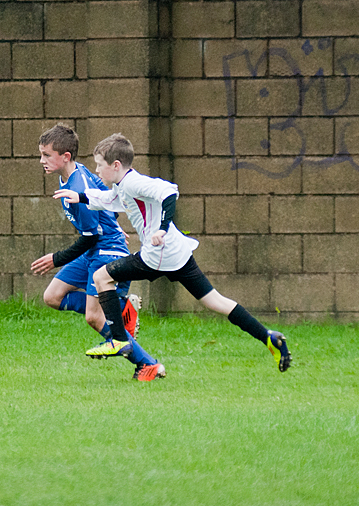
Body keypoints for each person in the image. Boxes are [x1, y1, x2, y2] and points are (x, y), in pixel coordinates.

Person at [53, 133, 292, 372]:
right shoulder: (124, 185)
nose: (96, 171)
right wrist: (81, 197)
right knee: (215, 301)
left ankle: (119, 340)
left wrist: (162, 228)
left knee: (102, 277)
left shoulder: (134, 183)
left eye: (99, 166)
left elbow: (169, 192)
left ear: (116, 165)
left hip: (158, 255)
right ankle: (268, 336)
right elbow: (111, 200)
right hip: (178, 253)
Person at [30, 124, 166, 381]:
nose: (42, 160)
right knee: (53, 296)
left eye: (47, 155)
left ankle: (148, 364)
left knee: (94, 317)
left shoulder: (78, 185)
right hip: (95, 247)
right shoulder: (76, 172)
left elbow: (91, 236)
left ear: (65, 156)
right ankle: (119, 309)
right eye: (42, 154)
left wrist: (55, 259)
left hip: (104, 250)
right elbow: (107, 197)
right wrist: (111, 221)